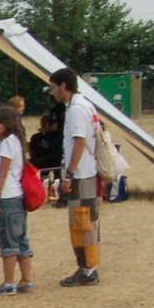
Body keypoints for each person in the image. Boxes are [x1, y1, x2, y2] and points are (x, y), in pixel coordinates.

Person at [49, 67, 101, 287]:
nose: (53, 93)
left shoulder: (77, 109)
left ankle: (87, 269)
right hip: (88, 171)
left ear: (63, 86)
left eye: (53, 88)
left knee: (81, 222)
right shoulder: (85, 104)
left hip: (81, 174)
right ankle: (89, 266)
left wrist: (69, 174)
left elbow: (79, 142)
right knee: (88, 220)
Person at [0, 106, 34, 294]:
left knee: (8, 240)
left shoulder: (6, 143)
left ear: (4, 125)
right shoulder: (16, 141)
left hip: (7, 196)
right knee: (21, 238)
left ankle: (9, 283)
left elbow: (3, 173)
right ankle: (26, 279)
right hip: (17, 196)